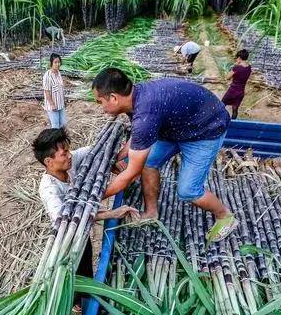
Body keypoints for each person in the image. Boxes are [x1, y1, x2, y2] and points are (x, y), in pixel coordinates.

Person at [92, 68, 238, 242]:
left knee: (188, 190)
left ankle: (225, 216)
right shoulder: (137, 97)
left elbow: (131, 174)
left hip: (206, 128)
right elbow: (139, 138)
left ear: (114, 98)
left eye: (100, 102)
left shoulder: (145, 113)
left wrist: (94, 197)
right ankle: (151, 212)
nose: (102, 108)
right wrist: (117, 156)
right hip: (179, 125)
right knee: (149, 161)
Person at [33, 128, 139, 279]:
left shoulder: (69, 162)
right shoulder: (48, 189)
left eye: (68, 150)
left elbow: (95, 150)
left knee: (87, 268)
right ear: (49, 162)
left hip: (84, 227)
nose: (70, 155)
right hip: (69, 237)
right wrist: (112, 213)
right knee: (75, 274)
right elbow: (68, 219)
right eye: (64, 154)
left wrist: (114, 159)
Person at [222, 49, 252, 119]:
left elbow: (227, 77)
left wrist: (234, 67)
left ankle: (220, 119)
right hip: (241, 91)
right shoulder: (249, 67)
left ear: (239, 58)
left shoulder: (237, 68)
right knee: (235, 108)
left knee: (222, 104)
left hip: (233, 90)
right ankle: (233, 123)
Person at [42, 53, 66, 128]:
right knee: (55, 126)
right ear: (51, 63)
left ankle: (61, 139)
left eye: (59, 62)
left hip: (60, 104)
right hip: (53, 107)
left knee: (63, 124)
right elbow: (47, 91)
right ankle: (55, 139)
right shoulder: (47, 76)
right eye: (55, 62)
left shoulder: (58, 73)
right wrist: (52, 104)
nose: (57, 64)